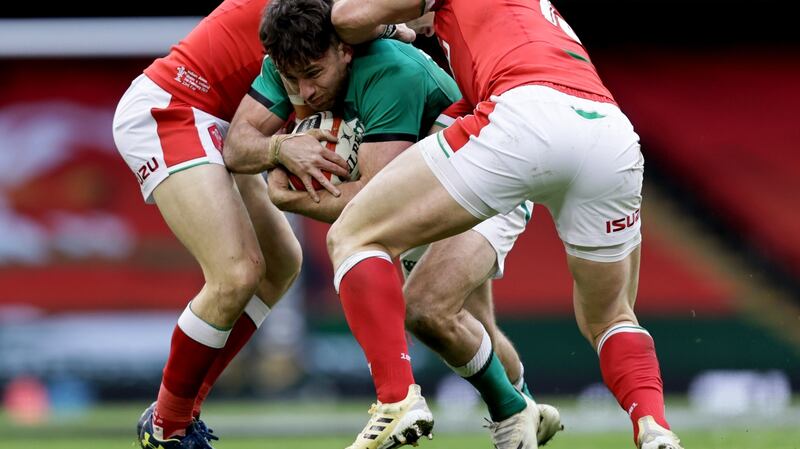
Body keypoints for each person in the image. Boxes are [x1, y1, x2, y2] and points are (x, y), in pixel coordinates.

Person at [326, 1, 684, 449]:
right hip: (609, 131)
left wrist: (384, 23)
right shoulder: (529, 16)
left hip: (523, 116)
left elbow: (345, 17)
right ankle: (653, 428)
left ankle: (397, 400)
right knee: (610, 315)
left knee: (353, 233)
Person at [223, 1, 562, 448]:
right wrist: (280, 149)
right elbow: (236, 146)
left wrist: (291, 196)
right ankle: (523, 405)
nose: (304, 93)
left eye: (313, 73)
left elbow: (377, 202)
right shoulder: (290, 59)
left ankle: (473, 410)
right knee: (463, 327)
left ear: (344, 49)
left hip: (483, 183)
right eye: (291, 79)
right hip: (428, 191)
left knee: (427, 309)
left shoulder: (389, 70)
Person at [112, 1, 353, 448]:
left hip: (218, 124)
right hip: (174, 107)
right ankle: (167, 428)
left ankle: (180, 411)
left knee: (281, 264)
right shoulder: (342, 15)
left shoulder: (348, 19)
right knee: (235, 272)